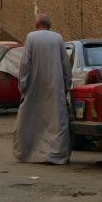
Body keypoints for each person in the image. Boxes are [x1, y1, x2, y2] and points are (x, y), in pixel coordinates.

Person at [13, 13, 73, 164]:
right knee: (55, 120)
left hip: (35, 86)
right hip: (55, 86)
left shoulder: (31, 38)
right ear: (49, 25)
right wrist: (66, 85)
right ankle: (56, 155)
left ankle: (28, 153)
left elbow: (25, 64)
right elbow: (66, 64)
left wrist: (23, 86)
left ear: (36, 25)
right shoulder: (58, 38)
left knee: (32, 119)